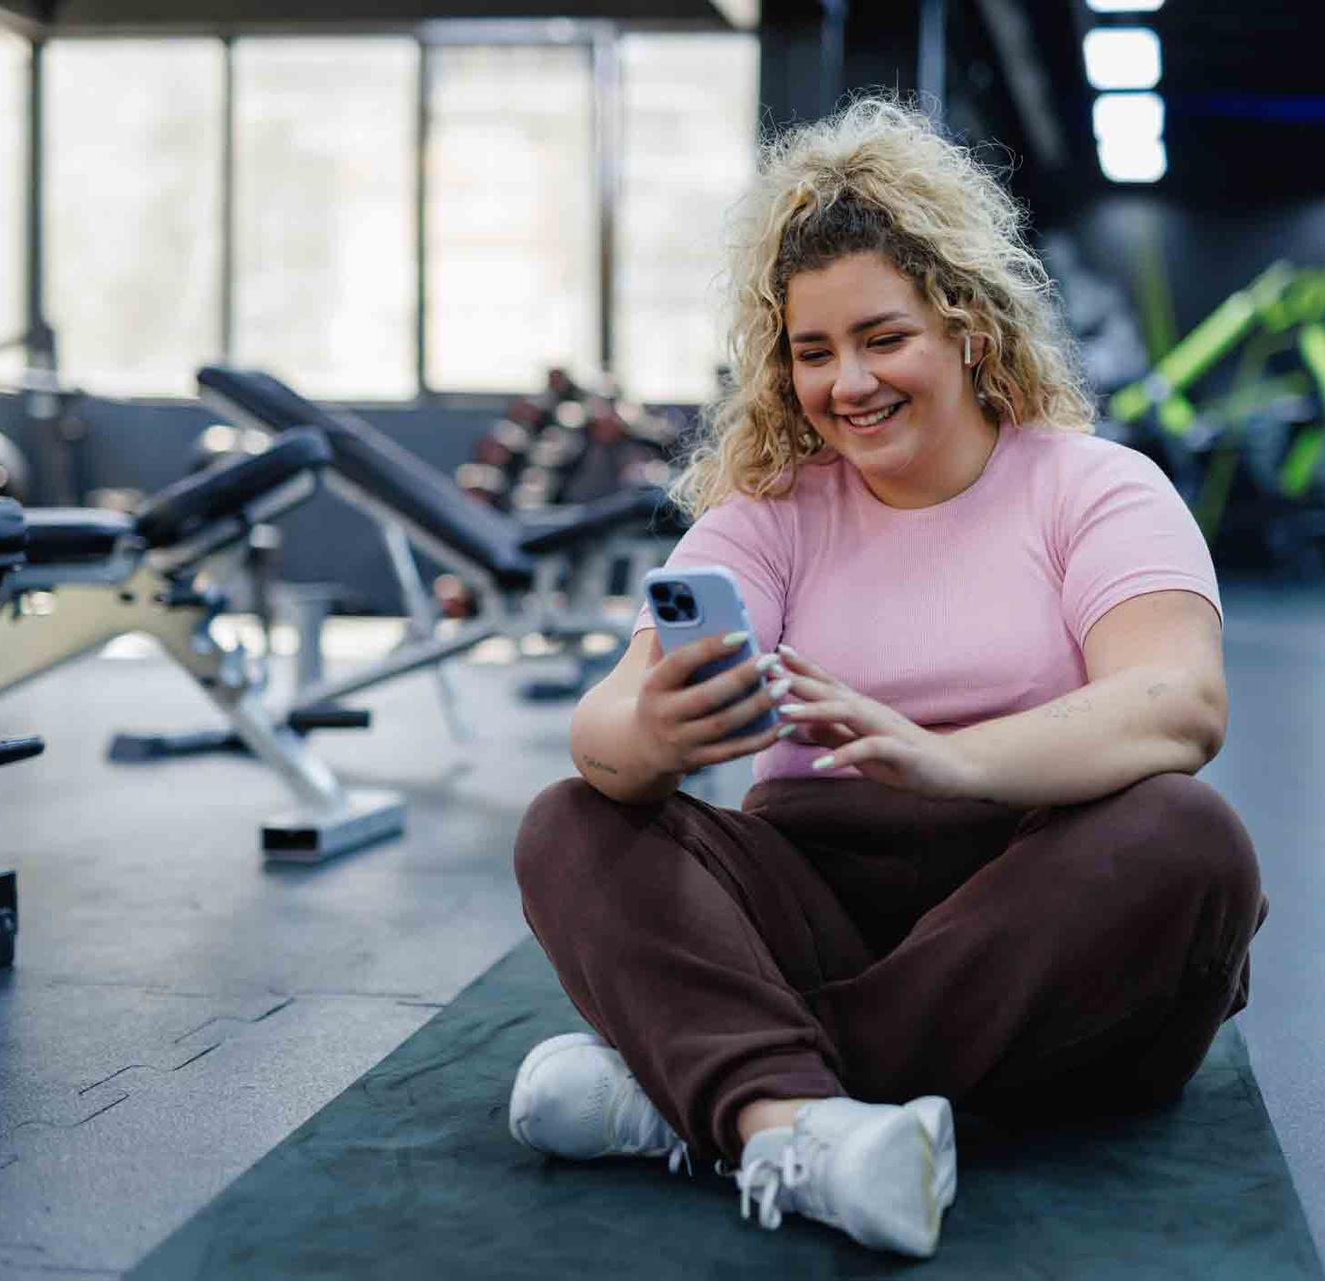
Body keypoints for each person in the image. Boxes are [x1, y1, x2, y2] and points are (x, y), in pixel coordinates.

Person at [507, 96, 1264, 1259]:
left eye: (882, 337)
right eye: (812, 352)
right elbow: (603, 724)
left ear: (966, 326)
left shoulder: (1097, 489)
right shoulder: (770, 513)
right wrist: (651, 731)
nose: (847, 382)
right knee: (575, 820)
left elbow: (1177, 703)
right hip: (818, 892)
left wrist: (950, 759)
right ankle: (795, 1119)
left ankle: (705, 1091)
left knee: (1189, 839)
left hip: (1034, 911)